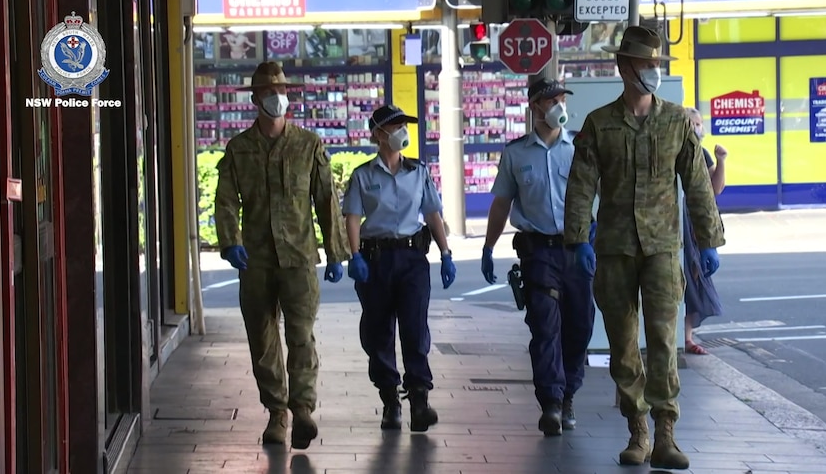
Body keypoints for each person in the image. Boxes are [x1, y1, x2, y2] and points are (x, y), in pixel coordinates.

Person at [563, 27, 725, 470]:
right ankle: (638, 432)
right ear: (624, 68)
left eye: (658, 65)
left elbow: (696, 185)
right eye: (647, 65)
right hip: (614, 249)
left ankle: (667, 433)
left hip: (662, 250)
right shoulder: (600, 124)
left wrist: (709, 239)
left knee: (662, 342)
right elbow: (580, 187)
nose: (654, 71)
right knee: (622, 344)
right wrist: (578, 238)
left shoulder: (675, 121)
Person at [214, 61, 351, 449]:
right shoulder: (239, 149)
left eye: (282, 91)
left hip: (298, 258)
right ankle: (277, 413)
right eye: (269, 92)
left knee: (301, 336)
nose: (278, 98)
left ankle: (302, 410)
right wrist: (230, 241)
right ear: (256, 99)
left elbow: (326, 200)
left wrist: (336, 251)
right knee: (262, 339)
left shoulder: (308, 145)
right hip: (255, 260)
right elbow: (225, 202)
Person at [480, 79, 596, 437]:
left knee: (579, 326)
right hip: (538, 252)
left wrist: (597, 239)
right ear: (535, 107)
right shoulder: (516, 154)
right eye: (552, 100)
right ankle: (551, 402)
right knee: (545, 327)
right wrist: (488, 246)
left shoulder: (579, 147)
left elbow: (602, 195)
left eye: (562, 99)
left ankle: (569, 394)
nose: (559, 105)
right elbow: (502, 202)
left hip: (577, 249)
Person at [341, 104, 456, 433]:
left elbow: (432, 213)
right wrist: (354, 255)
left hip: (411, 260)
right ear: (378, 134)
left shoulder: (418, 172)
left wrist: (446, 252)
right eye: (394, 126)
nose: (401, 132)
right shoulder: (363, 175)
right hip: (375, 260)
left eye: (404, 125)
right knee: (378, 332)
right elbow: (352, 216)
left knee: (414, 329)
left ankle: (419, 401)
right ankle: (390, 399)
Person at [683, 107, 727, 355]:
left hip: (696, 225)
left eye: (700, 124)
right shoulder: (677, 152)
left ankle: (687, 337)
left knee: (696, 278)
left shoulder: (702, 154)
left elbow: (715, 188)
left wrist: (721, 160)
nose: (699, 128)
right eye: (694, 124)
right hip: (677, 221)